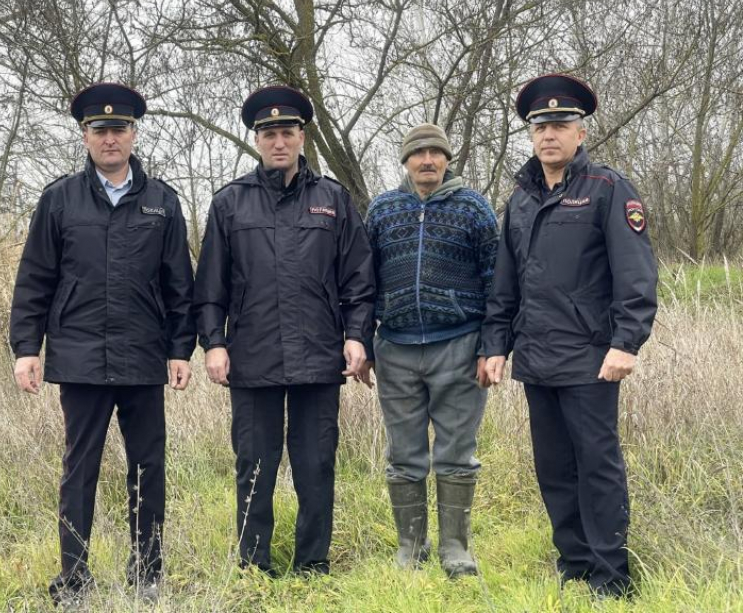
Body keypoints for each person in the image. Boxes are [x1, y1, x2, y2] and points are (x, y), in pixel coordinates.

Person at [9, 82, 196, 606]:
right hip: (80, 357)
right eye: (99, 130)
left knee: (148, 467)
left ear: (134, 134)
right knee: (80, 468)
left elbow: (179, 283)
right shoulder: (59, 199)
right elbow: (35, 280)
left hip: (142, 357)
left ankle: (148, 572)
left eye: (119, 129)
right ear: (85, 135)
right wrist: (27, 347)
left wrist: (181, 349)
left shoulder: (162, 201)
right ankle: (74, 577)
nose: (109, 138)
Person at [482, 73, 658, 599]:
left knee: (597, 468)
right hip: (536, 359)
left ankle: (612, 578)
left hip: (589, 358)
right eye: (540, 126)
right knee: (554, 469)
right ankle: (574, 564)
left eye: (560, 124)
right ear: (531, 135)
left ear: (580, 133)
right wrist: (494, 345)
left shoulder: (607, 188)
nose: (549, 135)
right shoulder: (519, 200)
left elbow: (636, 273)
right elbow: (504, 283)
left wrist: (626, 342)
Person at [193, 85, 375, 576]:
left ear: (301, 137)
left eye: (287, 132)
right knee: (255, 466)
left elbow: (359, 279)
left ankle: (312, 563)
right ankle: (253, 564)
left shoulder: (332, 199)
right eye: (269, 133)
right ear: (257, 140)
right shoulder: (230, 203)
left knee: (317, 467)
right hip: (252, 360)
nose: (279, 141)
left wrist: (357, 336)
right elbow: (210, 285)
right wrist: (213, 342)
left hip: (319, 358)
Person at [361, 124, 499, 577]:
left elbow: (496, 279)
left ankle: (456, 548)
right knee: (404, 454)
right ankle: (411, 547)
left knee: (457, 452)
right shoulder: (382, 210)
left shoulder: (474, 209)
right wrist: (362, 341)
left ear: (446, 159)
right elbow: (364, 282)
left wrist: (491, 345)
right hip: (396, 349)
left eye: (435, 153)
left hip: (458, 345)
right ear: (405, 160)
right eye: (418, 153)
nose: (427, 160)